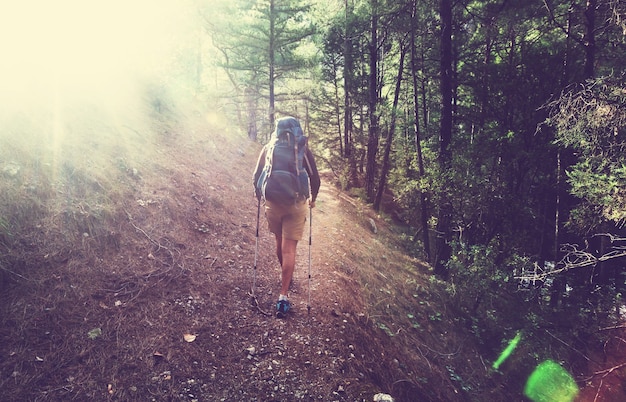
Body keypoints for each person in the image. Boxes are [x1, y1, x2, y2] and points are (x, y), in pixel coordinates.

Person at [252, 117, 321, 316]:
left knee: (279, 242)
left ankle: (286, 276)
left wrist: (259, 195)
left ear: (277, 130)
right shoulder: (302, 149)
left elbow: (257, 175)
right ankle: (283, 296)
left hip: (273, 203)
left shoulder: (269, 148)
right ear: (296, 130)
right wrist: (313, 198)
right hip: (296, 204)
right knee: (289, 249)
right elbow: (315, 178)